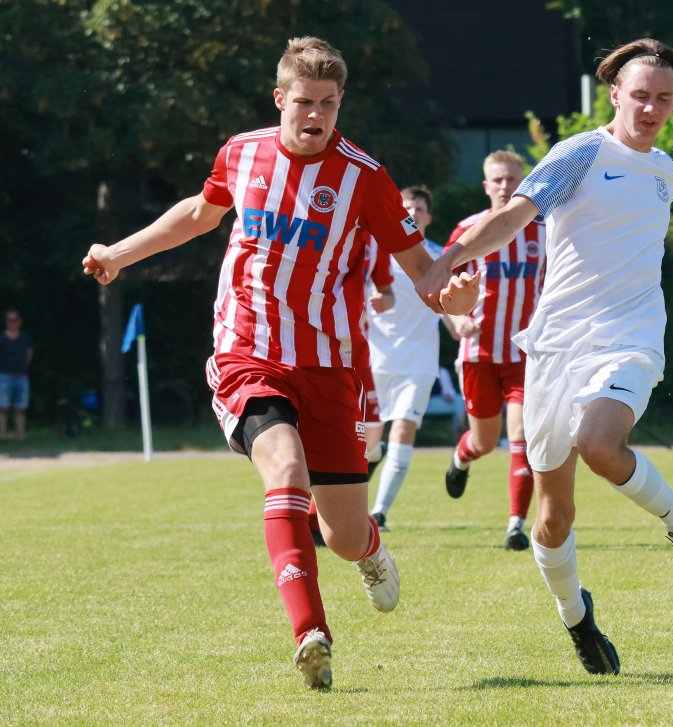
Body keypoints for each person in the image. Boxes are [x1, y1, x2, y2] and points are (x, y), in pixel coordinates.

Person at [81, 37, 479, 691]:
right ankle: (311, 634)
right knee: (284, 468)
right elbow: (199, 214)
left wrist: (450, 291)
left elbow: (421, 269)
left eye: (328, 102)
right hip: (247, 352)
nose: (316, 114)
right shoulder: (242, 153)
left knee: (345, 534)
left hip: (325, 366)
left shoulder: (364, 177)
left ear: (340, 101)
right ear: (280, 99)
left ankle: (371, 552)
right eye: (304, 102)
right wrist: (121, 252)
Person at [417, 38, 673, 676]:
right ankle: (576, 618)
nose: (650, 108)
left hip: (631, 334)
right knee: (553, 516)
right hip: (555, 345)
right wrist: (444, 265)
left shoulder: (668, 172)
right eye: (640, 95)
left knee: (600, 443)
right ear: (614, 94)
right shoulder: (581, 153)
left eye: (664, 99)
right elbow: (510, 219)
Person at [441, 150, 546, 551]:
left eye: (512, 179)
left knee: (521, 435)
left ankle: (516, 526)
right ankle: (461, 459)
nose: (505, 186)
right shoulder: (468, 230)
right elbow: (439, 289)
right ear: (486, 186)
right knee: (484, 441)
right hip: (479, 354)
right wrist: (457, 321)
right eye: (498, 180)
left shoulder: (544, 231)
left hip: (524, 356)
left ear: (524, 183)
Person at [367, 185, 448, 530]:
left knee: (402, 430)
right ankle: (350, 501)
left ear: (427, 217)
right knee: (368, 444)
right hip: (373, 360)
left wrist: (462, 322)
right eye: (405, 208)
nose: (411, 214)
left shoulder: (439, 259)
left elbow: (448, 304)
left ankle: (380, 512)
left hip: (418, 362)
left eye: (417, 209)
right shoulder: (374, 252)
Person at [1, 309, 33, 441]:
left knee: (20, 408)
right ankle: (1, 437)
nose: (12, 323)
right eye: (10, 320)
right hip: (4, 377)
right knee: (2, 408)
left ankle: (21, 437)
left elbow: (29, 355)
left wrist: (23, 367)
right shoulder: (1, 338)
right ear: (6, 322)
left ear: (19, 321)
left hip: (21, 376)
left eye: (15, 320)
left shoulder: (25, 337)